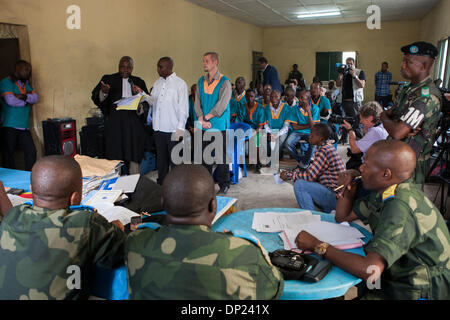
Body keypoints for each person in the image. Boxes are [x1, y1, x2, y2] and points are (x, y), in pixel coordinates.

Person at [296, 140, 450, 300]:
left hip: (418, 289)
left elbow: (370, 269)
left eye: (366, 165)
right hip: (395, 272)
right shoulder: (387, 191)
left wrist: (318, 246)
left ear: (386, 174)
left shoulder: (399, 206)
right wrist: (349, 189)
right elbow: (342, 217)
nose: (361, 168)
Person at [125, 164, 284, 299]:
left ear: (163, 203)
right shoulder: (245, 254)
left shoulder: (136, 242)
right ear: (213, 206)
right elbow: (275, 288)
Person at [0, 156, 125, 299]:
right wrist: (117, 226)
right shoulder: (86, 223)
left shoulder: (12, 216)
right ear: (75, 198)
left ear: (31, 190)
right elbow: (119, 252)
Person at [380, 42, 441, 188]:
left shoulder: (426, 96)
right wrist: (393, 120)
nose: (402, 66)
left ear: (424, 66)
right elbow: (394, 115)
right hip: (397, 154)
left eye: (408, 62)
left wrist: (382, 116)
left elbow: (398, 131)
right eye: (403, 61)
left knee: (402, 204)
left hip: (411, 163)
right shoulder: (408, 89)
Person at [91, 56, 149, 174]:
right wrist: (104, 92)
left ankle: (134, 184)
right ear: (118, 67)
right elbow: (96, 97)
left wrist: (139, 101)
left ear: (132, 68)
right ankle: (115, 183)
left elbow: (147, 103)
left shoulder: (138, 82)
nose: (125, 70)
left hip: (133, 126)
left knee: (134, 154)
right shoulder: (108, 79)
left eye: (128, 67)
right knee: (114, 155)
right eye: (122, 67)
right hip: (115, 125)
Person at [280, 124, 345, 213]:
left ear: (321, 139)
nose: (309, 137)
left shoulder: (324, 151)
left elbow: (309, 176)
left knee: (300, 185)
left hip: (335, 197)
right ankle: (326, 209)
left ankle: (311, 217)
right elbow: (313, 171)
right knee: (299, 176)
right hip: (334, 193)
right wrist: (294, 173)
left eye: (312, 135)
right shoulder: (326, 147)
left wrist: (287, 174)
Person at [145, 57, 188, 185]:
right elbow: (153, 101)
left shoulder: (180, 84)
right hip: (158, 128)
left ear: (169, 67)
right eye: (157, 66)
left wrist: (180, 129)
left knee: (175, 160)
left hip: (173, 129)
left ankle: (176, 185)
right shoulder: (157, 83)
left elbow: (184, 109)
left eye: (160, 67)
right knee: (161, 160)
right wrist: (143, 95)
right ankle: (162, 183)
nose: (158, 69)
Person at [194, 52, 232, 195]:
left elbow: (221, 105)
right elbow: (197, 102)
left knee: (221, 157)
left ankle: (224, 184)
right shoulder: (200, 81)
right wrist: (200, 118)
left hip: (219, 124)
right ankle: (206, 183)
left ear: (215, 62)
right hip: (203, 123)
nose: (204, 64)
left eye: (207, 61)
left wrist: (206, 118)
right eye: (203, 61)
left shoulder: (225, 82)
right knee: (204, 156)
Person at [0, 60, 39, 171]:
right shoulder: (6, 82)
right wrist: (27, 100)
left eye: (29, 70)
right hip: (9, 124)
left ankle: (29, 177)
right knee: (8, 155)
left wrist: (22, 97)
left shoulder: (25, 84)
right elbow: (10, 101)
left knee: (31, 151)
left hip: (24, 125)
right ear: (17, 69)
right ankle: (10, 182)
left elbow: (36, 98)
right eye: (26, 70)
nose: (28, 72)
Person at [342, 101, 389, 170]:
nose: (360, 121)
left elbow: (354, 149)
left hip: (371, 167)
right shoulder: (382, 126)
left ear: (370, 118)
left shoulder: (375, 132)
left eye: (362, 118)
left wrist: (350, 130)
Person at [284, 88, 320, 168]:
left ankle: (304, 163)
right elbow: (295, 127)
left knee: (313, 144)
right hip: (297, 132)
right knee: (287, 144)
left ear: (308, 99)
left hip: (311, 132)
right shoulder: (294, 108)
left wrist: (309, 112)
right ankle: (303, 161)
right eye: (299, 97)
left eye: (302, 98)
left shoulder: (315, 108)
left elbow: (314, 127)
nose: (299, 100)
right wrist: (309, 125)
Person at [336, 57, 366, 133]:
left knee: (357, 121)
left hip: (355, 102)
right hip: (344, 101)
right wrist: (340, 75)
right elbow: (338, 84)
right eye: (347, 63)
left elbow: (362, 85)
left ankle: (358, 139)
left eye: (350, 63)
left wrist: (354, 75)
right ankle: (345, 138)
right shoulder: (344, 73)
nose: (349, 65)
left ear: (354, 64)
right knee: (345, 121)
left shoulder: (359, 72)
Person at [242, 89, 267, 173]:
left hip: (257, 129)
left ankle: (258, 163)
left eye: (252, 96)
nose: (249, 98)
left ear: (255, 97)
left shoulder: (260, 108)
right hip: (246, 128)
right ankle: (246, 162)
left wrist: (254, 132)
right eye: (247, 96)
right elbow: (241, 121)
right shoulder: (243, 107)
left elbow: (261, 125)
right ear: (245, 97)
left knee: (257, 141)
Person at [264, 90, 291, 159]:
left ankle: (274, 158)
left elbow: (286, 127)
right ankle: (273, 156)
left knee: (279, 142)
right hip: (271, 131)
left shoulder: (286, 107)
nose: (274, 99)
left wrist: (277, 134)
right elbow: (265, 124)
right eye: (272, 97)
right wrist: (271, 132)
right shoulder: (267, 108)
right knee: (264, 140)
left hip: (281, 131)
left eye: (276, 96)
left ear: (280, 98)